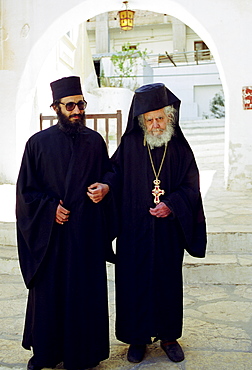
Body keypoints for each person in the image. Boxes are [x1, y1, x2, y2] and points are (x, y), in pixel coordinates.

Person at [102, 83, 207, 363]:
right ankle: (137, 339)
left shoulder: (180, 149)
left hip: (167, 233)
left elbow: (191, 186)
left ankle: (169, 336)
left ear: (169, 117)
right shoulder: (130, 146)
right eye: (149, 119)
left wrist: (171, 204)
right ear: (141, 121)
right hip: (133, 229)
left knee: (166, 282)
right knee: (133, 281)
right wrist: (105, 186)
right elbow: (114, 173)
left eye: (159, 117)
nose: (155, 124)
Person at [16, 76, 114, 370]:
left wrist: (106, 187)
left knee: (83, 294)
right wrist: (49, 210)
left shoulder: (95, 142)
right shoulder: (37, 144)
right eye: (70, 105)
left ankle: (84, 354)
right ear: (56, 107)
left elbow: (110, 173)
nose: (77, 110)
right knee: (50, 295)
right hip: (52, 240)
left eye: (81, 104)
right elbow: (25, 194)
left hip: (85, 235)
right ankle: (45, 353)